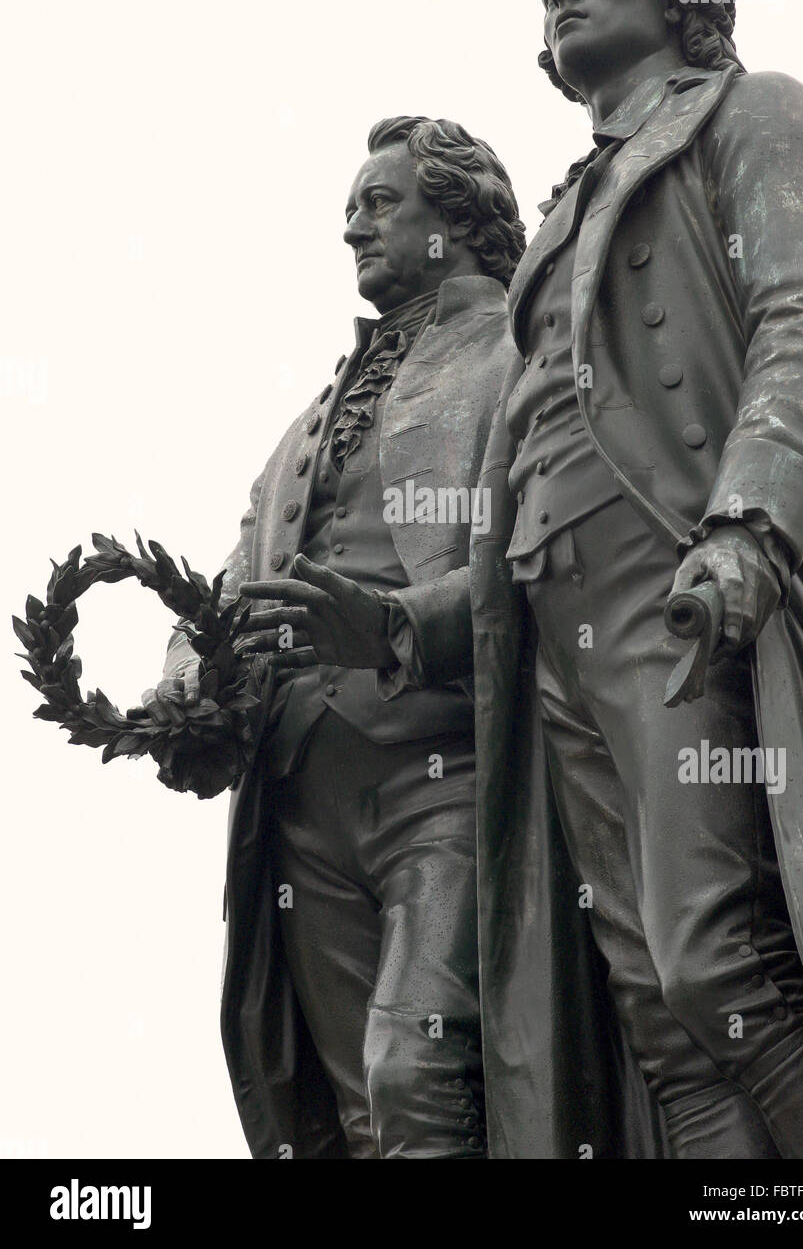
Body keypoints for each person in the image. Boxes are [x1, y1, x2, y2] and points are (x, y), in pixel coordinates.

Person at [473, 0, 803, 1158]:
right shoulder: (550, 223)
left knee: (715, 961)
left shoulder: (752, 115)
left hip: (675, 575)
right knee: (653, 1006)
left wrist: (749, 523)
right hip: (551, 630)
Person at [141, 116, 525, 1158]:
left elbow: (551, 560)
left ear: (460, 218)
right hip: (301, 800)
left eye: (380, 203)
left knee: (420, 1070)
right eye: (349, 208)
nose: (352, 227)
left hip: (446, 773)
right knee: (354, 1110)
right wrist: (188, 684)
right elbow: (228, 586)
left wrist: (398, 623)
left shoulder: (524, 356)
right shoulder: (305, 422)